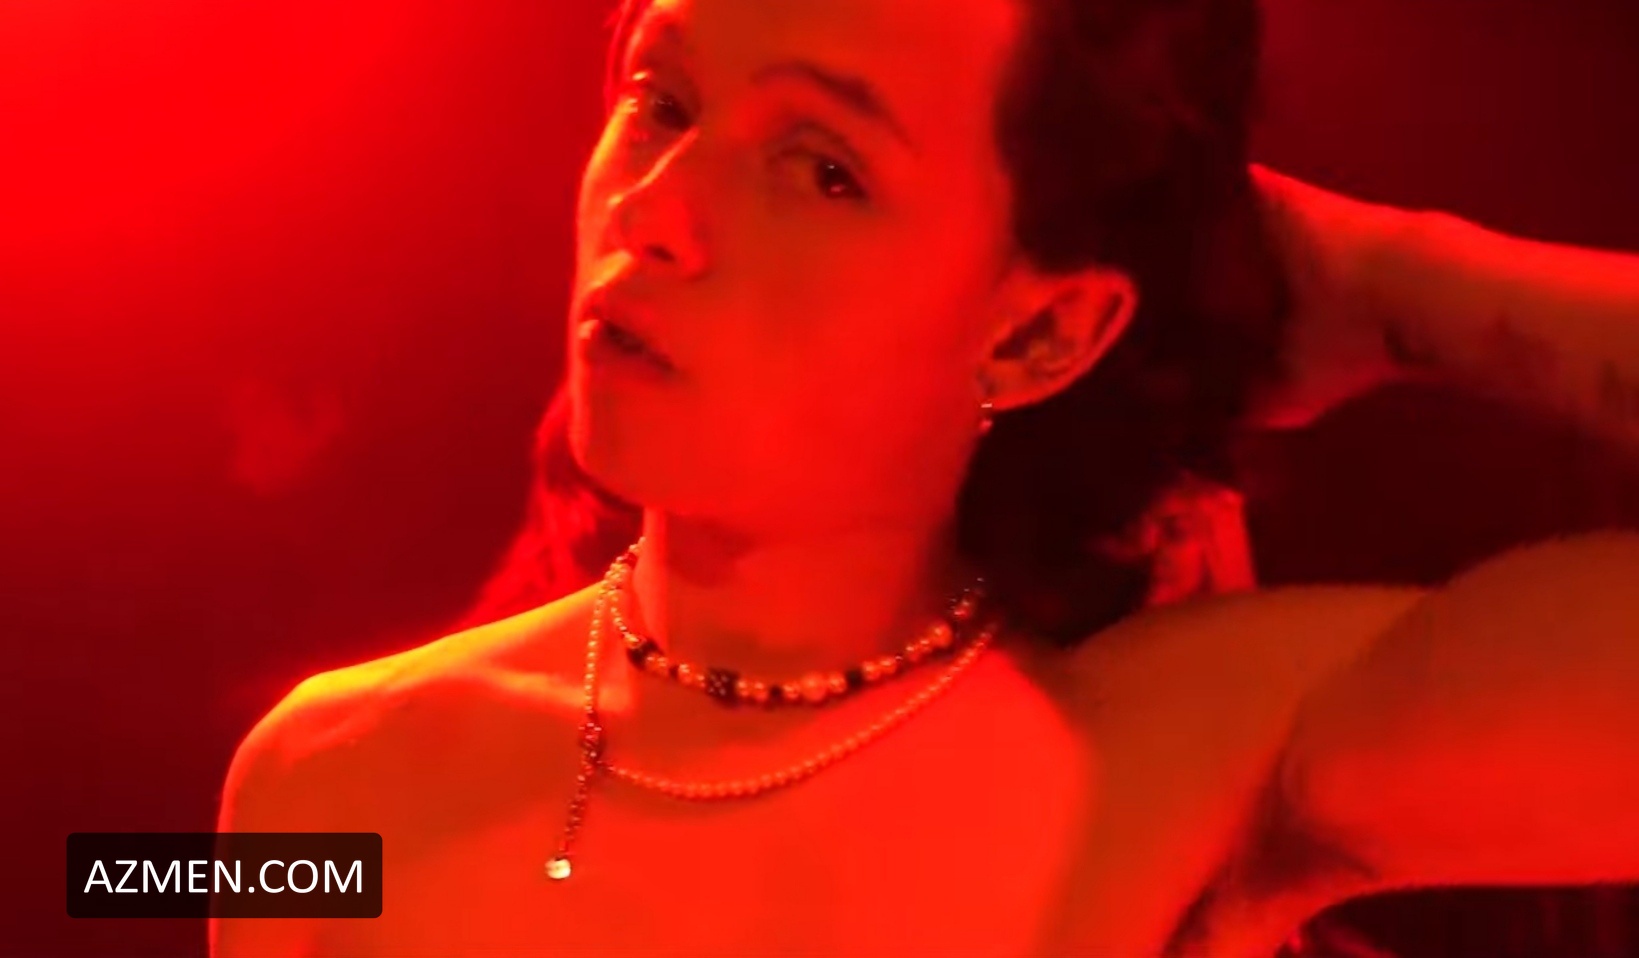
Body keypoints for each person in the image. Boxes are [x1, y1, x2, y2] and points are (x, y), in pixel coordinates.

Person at [212, 0, 1639, 954]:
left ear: (1040, 331)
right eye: (661, 98)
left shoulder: (1175, 761)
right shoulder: (330, 787)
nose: (655, 210)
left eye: (822, 166)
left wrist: (1403, 286)